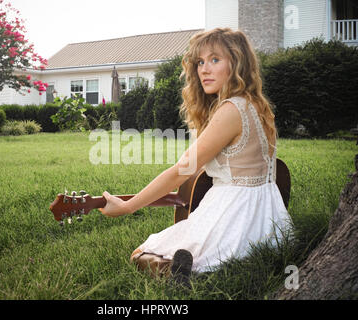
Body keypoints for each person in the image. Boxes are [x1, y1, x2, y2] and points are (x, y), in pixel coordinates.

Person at [98, 28, 293, 284]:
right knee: (216, 259)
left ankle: (176, 274)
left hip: (234, 211)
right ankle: (199, 269)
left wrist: (127, 206)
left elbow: (182, 170)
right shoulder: (257, 104)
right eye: (200, 62)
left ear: (237, 63)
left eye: (215, 59)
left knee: (142, 253)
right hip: (269, 214)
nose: (204, 69)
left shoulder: (231, 109)